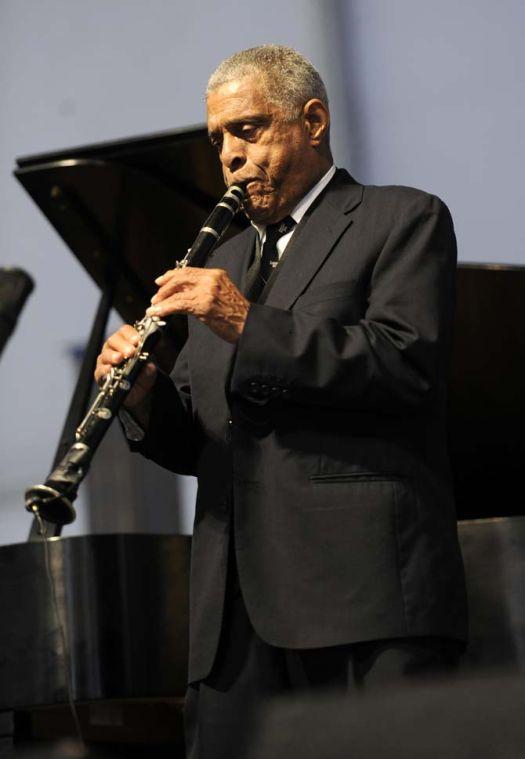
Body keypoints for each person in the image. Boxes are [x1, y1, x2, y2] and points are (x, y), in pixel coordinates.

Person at [95, 45, 468, 759]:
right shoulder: (220, 260)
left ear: (314, 120)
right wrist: (142, 394)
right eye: (217, 140)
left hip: (362, 600)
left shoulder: (401, 219)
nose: (230, 155)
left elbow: (401, 365)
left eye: (248, 129)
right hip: (231, 620)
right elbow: (198, 438)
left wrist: (244, 321)